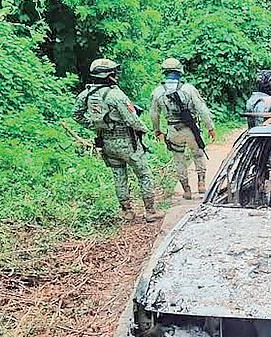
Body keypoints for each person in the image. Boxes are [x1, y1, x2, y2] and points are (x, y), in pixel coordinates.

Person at [73, 58, 163, 222]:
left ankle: (127, 211)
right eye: (113, 72)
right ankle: (150, 211)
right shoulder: (115, 94)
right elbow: (132, 120)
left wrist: (94, 126)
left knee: (119, 175)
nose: (116, 75)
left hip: (106, 143)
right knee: (144, 175)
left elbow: (76, 115)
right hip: (127, 143)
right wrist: (145, 130)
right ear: (108, 75)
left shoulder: (86, 94)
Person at [150, 58, 215, 199]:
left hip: (173, 130)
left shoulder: (157, 92)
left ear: (164, 72)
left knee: (179, 159)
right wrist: (210, 127)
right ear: (180, 71)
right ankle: (201, 183)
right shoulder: (189, 89)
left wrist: (157, 130)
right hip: (192, 129)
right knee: (198, 154)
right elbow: (202, 109)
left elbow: (154, 114)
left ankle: (186, 190)